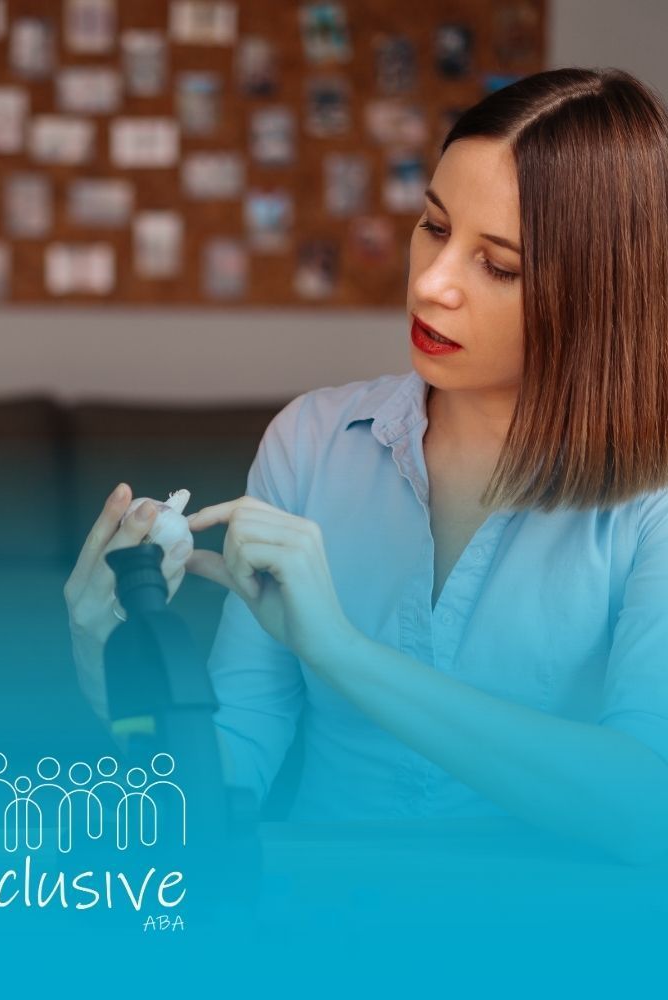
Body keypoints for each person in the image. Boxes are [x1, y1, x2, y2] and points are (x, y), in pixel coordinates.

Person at [65, 68, 668, 864]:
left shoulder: (651, 500)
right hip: (322, 926)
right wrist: (115, 663)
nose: (431, 283)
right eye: (433, 225)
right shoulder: (311, 441)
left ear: (602, 294)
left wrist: (341, 649)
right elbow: (228, 769)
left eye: (499, 265)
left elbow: (645, 808)